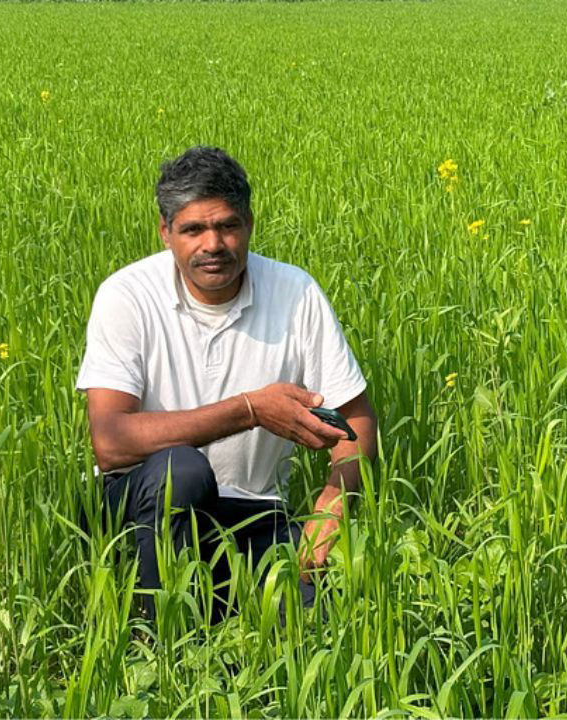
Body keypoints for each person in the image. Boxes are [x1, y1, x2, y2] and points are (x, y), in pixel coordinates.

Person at [76, 145, 378, 620]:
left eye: (227, 226)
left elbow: (354, 417)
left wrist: (333, 504)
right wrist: (249, 410)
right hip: (142, 504)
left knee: (310, 624)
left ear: (249, 224)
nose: (212, 244)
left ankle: (217, 621)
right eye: (193, 229)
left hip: (255, 513)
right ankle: (157, 642)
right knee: (183, 469)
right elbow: (110, 444)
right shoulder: (127, 295)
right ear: (165, 232)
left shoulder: (295, 292)